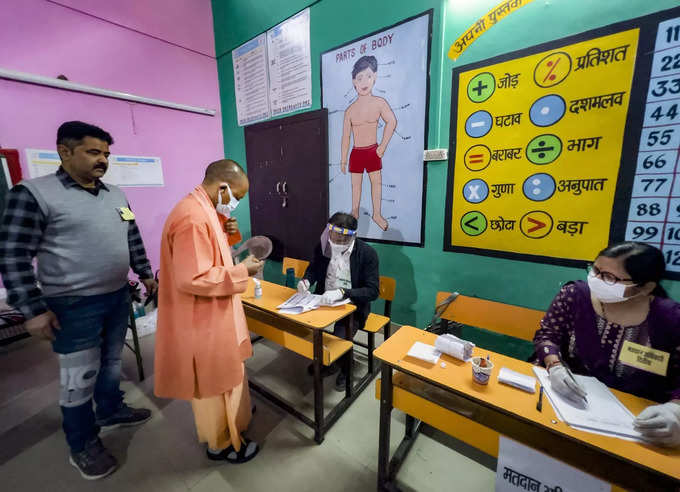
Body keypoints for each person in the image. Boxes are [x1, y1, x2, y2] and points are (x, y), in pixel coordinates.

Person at [0, 121, 157, 479]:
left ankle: (110, 409)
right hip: (72, 304)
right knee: (79, 377)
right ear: (65, 151)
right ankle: (82, 443)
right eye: (93, 152)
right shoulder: (34, 193)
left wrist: (146, 274)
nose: (103, 160)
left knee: (112, 362)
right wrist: (33, 309)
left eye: (106, 153)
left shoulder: (116, 195)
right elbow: (12, 254)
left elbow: (132, 237)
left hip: (117, 296)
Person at [154, 159, 263, 463]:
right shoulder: (192, 218)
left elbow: (211, 255)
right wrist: (243, 271)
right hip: (201, 316)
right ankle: (221, 443)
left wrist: (228, 231)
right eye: (236, 196)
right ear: (222, 187)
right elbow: (194, 277)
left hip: (215, 310)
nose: (236, 203)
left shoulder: (204, 209)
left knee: (229, 373)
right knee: (214, 383)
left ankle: (236, 417)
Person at [534, 242, 680, 447]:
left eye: (609, 277)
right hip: (569, 405)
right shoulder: (575, 295)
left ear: (646, 287)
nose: (597, 280)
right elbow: (547, 335)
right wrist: (555, 366)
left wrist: (675, 410)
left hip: (639, 426)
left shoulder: (671, 319)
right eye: (595, 270)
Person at [298, 212, 379, 390]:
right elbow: (314, 268)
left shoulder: (367, 254)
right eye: (334, 237)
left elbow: (373, 291)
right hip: (323, 300)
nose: (337, 243)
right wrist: (306, 281)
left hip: (352, 306)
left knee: (339, 340)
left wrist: (343, 292)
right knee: (303, 328)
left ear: (353, 236)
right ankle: (331, 361)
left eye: (344, 239)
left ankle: (346, 367)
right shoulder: (323, 246)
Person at [340, 55, 397, 231]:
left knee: (376, 183)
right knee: (355, 185)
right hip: (356, 153)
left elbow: (392, 121)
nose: (364, 82)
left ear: (375, 77)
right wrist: (343, 160)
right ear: (354, 82)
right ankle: (355, 211)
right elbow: (346, 137)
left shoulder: (379, 103)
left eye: (368, 76)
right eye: (359, 78)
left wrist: (383, 146)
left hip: (373, 150)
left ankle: (377, 214)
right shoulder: (349, 111)